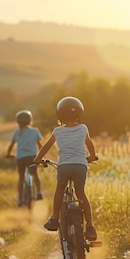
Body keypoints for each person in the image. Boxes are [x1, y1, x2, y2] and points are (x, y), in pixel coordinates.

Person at [33, 96, 98, 241]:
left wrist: (37, 159)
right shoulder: (83, 128)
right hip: (80, 166)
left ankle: (55, 219)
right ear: (80, 113)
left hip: (64, 166)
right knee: (81, 193)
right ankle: (91, 228)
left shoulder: (57, 131)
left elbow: (46, 147)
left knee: (60, 188)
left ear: (59, 115)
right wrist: (92, 156)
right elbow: (90, 144)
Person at [6, 110, 43, 206]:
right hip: (33, 157)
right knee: (35, 174)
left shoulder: (17, 132)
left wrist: (8, 154)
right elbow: (40, 146)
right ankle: (39, 192)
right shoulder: (35, 131)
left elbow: (11, 145)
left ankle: (20, 199)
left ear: (18, 121)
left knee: (21, 178)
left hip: (21, 158)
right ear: (30, 120)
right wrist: (41, 157)